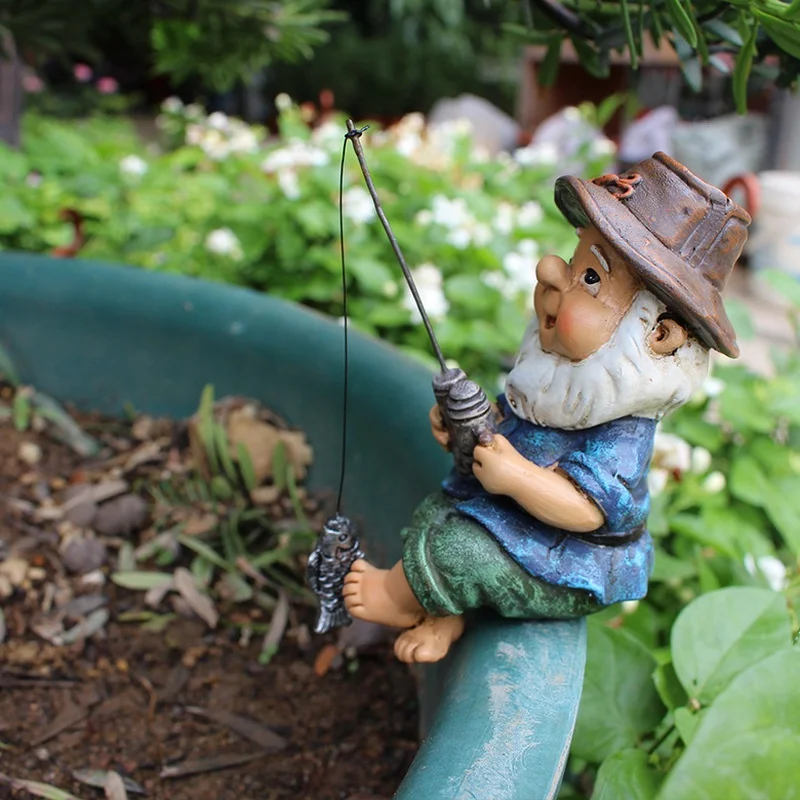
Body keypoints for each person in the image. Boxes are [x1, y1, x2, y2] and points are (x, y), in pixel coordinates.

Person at [343, 152, 751, 664]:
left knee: (459, 549)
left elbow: (585, 510)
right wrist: (468, 425)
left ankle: (393, 596)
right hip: (516, 526)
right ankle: (443, 612)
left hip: (568, 562)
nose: (550, 270)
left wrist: (516, 478)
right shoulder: (561, 388)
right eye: (576, 263)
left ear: (658, 335)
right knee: (438, 514)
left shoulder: (622, 433)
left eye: (591, 279)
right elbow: (513, 428)